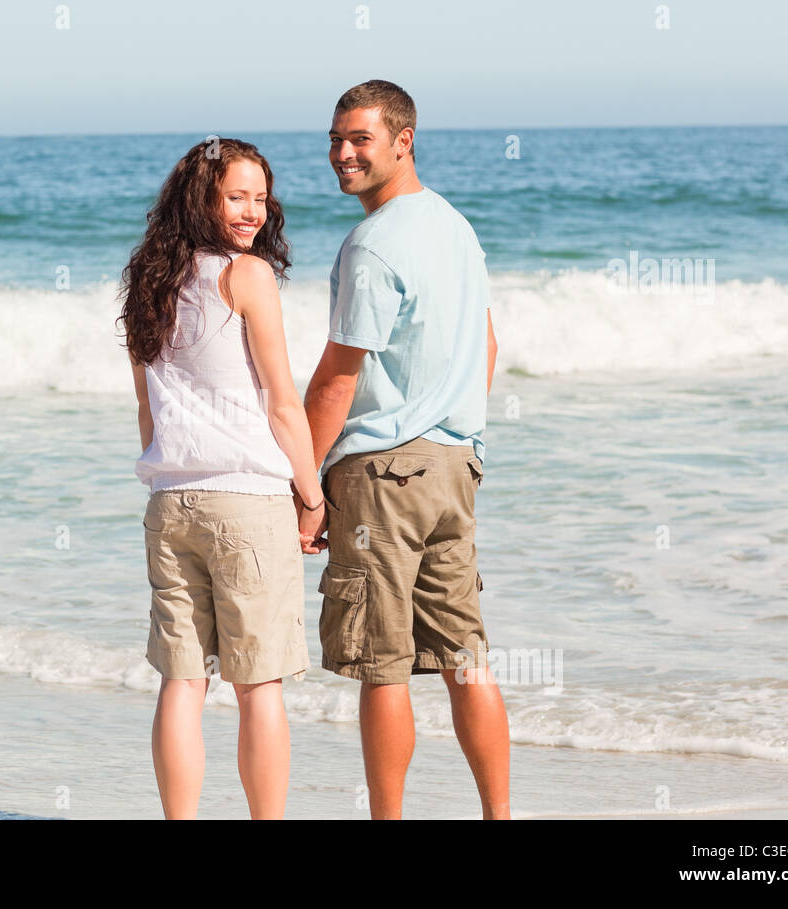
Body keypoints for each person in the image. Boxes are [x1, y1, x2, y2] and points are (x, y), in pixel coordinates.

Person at [303, 80, 511, 819]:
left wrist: (302, 482)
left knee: (381, 667)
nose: (342, 154)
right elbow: (485, 341)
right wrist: (463, 430)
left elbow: (337, 376)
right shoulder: (456, 227)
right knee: (464, 657)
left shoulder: (376, 240)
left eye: (359, 139)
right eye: (335, 139)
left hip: (384, 474)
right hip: (455, 467)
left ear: (403, 140)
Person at [118, 137, 326, 819]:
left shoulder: (148, 278)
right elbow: (282, 402)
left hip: (170, 500)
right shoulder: (249, 277)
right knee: (258, 684)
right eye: (236, 196)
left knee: (182, 681)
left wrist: (171, 471)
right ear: (201, 196)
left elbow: (147, 410)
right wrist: (313, 493)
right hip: (247, 502)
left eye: (261, 197)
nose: (253, 211)